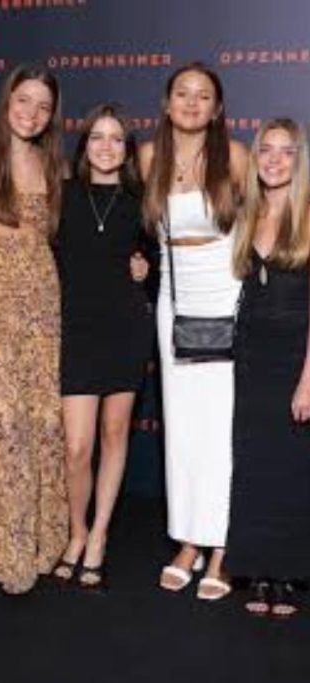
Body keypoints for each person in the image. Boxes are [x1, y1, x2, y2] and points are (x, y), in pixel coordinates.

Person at [139, 62, 248, 601]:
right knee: (181, 428)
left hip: (225, 296)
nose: (191, 102)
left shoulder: (238, 157)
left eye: (203, 96)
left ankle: (222, 546)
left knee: (220, 428)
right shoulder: (147, 157)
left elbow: (272, 219)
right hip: (174, 302)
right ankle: (187, 541)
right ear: (166, 102)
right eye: (182, 93)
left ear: (217, 108)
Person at [0, 63, 67, 595]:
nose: (32, 113)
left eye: (43, 106)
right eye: (23, 101)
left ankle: (37, 543)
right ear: (6, 101)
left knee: (36, 418)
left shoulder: (55, 166)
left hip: (40, 307)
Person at [53, 103, 153, 590]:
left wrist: (146, 272)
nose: (107, 146)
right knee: (76, 446)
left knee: (115, 437)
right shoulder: (61, 195)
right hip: (75, 329)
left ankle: (99, 537)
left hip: (124, 329)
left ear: (127, 149)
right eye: (98, 137)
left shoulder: (141, 200)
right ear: (84, 144)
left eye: (117, 138)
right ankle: (76, 530)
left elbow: (156, 264)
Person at [226, 118, 310, 618]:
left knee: (293, 468)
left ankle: (288, 572)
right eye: (266, 151)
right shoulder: (246, 216)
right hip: (251, 356)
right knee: (254, 466)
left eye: (286, 152)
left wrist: (308, 378)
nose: (274, 160)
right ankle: (257, 571)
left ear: (299, 162)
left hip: (294, 356)